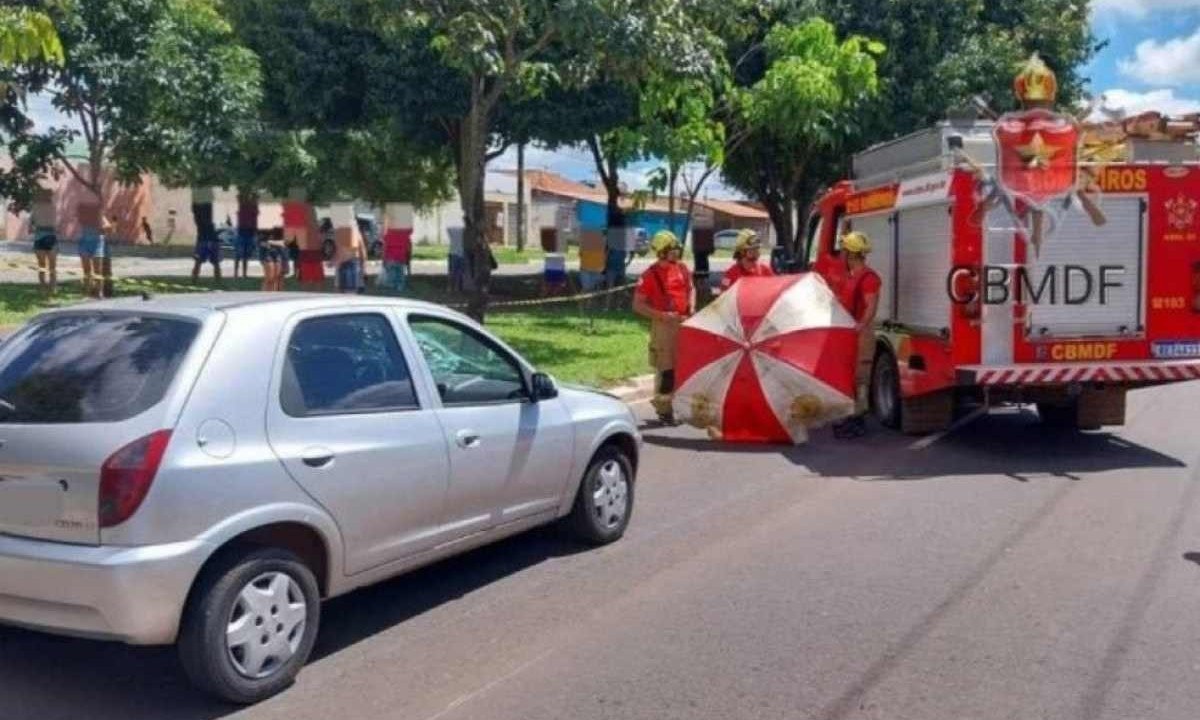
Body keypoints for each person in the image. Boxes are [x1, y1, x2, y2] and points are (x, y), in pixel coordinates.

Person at [633, 230, 695, 424]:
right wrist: (662, 316)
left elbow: (691, 288)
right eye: (671, 250)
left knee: (683, 367)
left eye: (676, 250)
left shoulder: (683, 269)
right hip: (664, 327)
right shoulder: (649, 275)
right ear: (661, 252)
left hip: (685, 322)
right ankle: (664, 410)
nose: (676, 253)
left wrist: (692, 306)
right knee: (666, 369)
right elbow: (638, 305)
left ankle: (678, 406)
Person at [832, 231, 882, 439]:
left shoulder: (868, 278)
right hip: (849, 334)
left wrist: (861, 325)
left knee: (861, 379)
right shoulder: (851, 276)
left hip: (861, 334)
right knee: (849, 377)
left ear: (851, 254)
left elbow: (871, 305)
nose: (841, 254)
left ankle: (858, 420)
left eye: (843, 250)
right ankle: (850, 416)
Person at [716, 229, 774, 295]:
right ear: (742, 251)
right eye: (752, 249)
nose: (757, 252)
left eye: (757, 248)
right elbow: (723, 296)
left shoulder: (765, 271)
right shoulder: (730, 275)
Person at [334, 221, 367, 294]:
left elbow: (339, 252)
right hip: (353, 263)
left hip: (345, 263)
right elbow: (362, 251)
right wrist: (364, 268)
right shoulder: (356, 233)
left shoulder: (341, 232)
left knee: (343, 292)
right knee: (351, 292)